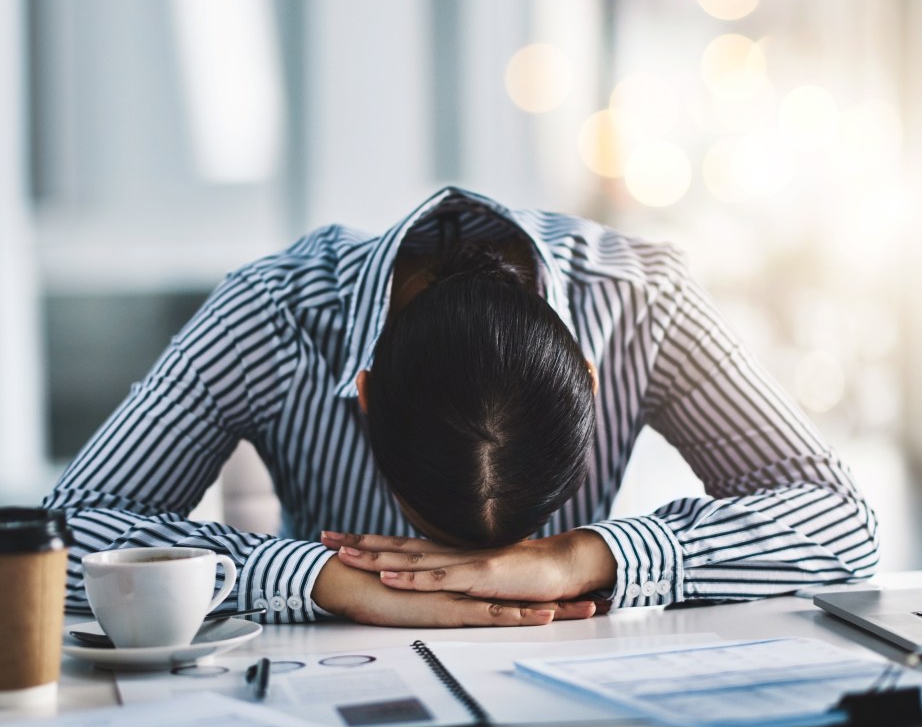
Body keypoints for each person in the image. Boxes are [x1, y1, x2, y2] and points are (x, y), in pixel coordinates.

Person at [44, 186, 879, 627]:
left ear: (586, 380)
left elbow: (842, 521)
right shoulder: (271, 315)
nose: (476, 586)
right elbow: (56, 538)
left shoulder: (642, 302)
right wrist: (324, 581)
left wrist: (582, 558)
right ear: (363, 393)